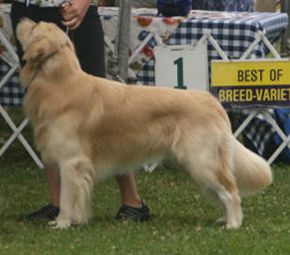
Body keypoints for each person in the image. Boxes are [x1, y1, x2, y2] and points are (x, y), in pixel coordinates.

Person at [1, 0, 151, 222]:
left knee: (105, 114)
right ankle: (59, 204)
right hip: (28, 7)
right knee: (49, 119)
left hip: (75, 11)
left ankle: (132, 201)